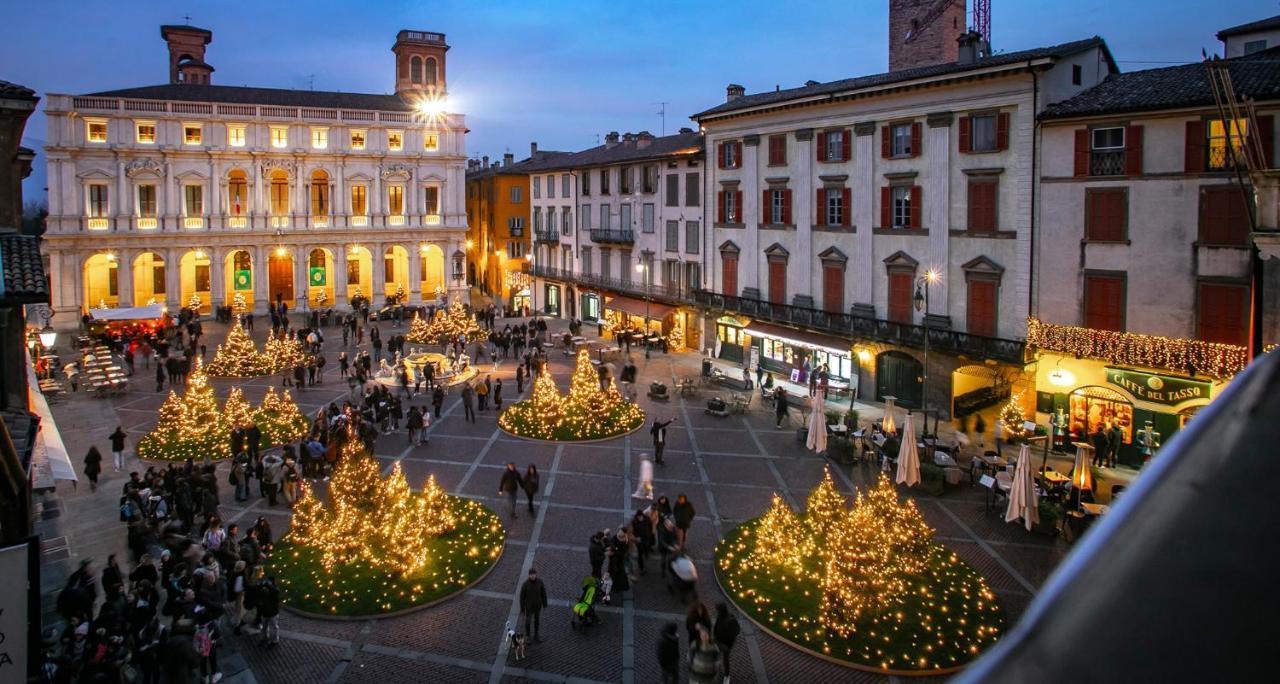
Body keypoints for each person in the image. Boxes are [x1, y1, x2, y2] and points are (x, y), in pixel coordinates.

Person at [518, 568, 548, 642]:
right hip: (529, 607)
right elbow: (522, 597)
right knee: (528, 622)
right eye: (531, 575)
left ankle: (536, 635)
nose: (533, 576)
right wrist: (522, 608)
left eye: (534, 574)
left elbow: (543, 593)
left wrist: (545, 604)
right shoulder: (525, 584)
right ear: (529, 575)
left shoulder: (540, 582)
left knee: (537, 621)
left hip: (538, 606)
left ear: (536, 574)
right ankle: (528, 636)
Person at [714, 603, 741, 681]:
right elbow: (716, 626)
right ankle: (720, 672)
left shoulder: (730, 620)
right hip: (718, 641)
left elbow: (736, 631)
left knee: (725, 660)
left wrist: (729, 640)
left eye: (718, 610)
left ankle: (726, 675)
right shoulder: (720, 616)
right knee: (716, 657)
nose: (717, 612)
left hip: (726, 644)